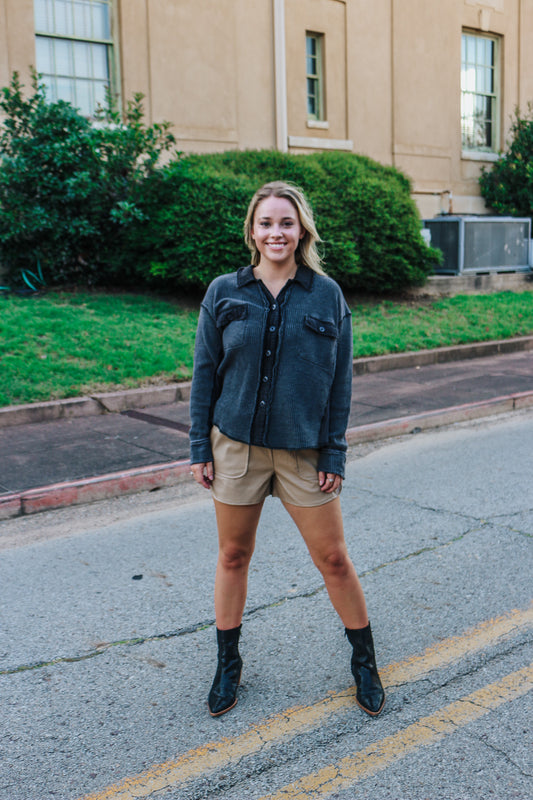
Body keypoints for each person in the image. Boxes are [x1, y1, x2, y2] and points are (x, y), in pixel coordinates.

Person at [189, 181, 385, 718]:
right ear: (252, 231)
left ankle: (364, 661)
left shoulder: (327, 295)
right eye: (266, 223)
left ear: (302, 231)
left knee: (334, 559)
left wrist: (334, 454)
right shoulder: (223, 292)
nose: (276, 232)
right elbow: (205, 373)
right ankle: (229, 664)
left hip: (303, 452)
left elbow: (339, 383)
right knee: (233, 555)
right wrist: (198, 447)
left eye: (286, 223)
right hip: (235, 448)